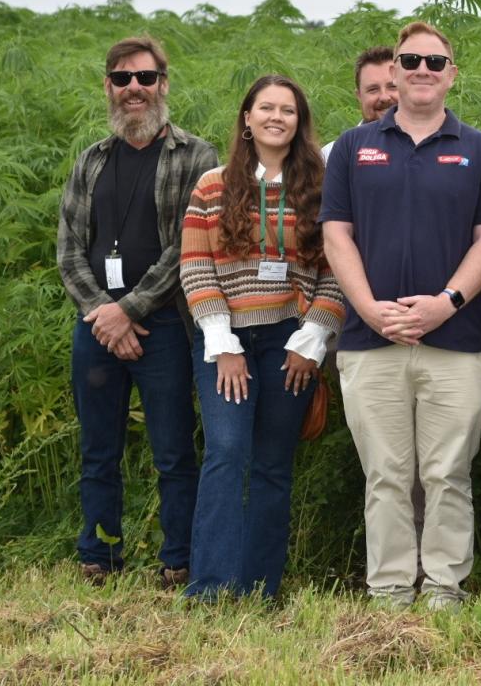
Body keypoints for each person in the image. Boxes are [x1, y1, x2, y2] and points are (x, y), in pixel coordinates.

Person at [321, 21, 481, 610]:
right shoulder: (352, 149)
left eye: (435, 61)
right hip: (370, 341)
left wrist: (445, 304)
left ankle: (445, 591)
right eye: (410, 61)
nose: (422, 70)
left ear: (452, 74)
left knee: (448, 473)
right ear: (394, 72)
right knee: (386, 476)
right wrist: (371, 311)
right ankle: (390, 592)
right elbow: (336, 236)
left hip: (455, 341)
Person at [56, 36, 217, 587]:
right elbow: (69, 249)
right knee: (98, 450)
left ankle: (179, 559)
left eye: (145, 79)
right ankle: (98, 555)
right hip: (95, 328)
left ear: (163, 85)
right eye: (123, 79)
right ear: (109, 86)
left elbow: (187, 248)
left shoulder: (197, 156)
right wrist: (104, 314)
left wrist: (129, 309)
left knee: (174, 451)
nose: (134, 90)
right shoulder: (92, 160)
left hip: (166, 324)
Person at [179, 74, 344, 600]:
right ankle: (211, 585)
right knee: (226, 452)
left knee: (274, 462)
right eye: (265, 108)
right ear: (246, 119)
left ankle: (260, 588)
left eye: (288, 110)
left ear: (300, 122)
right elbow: (195, 267)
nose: (277, 117)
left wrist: (312, 340)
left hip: (289, 342)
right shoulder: (212, 185)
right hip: (225, 341)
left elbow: (336, 271)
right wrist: (223, 344)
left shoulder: (321, 185)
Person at [321, 46, 398, 160]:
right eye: (373, 89)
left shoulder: (430, 151)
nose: (384, 97)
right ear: (359, 96)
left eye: (392, 87)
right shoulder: (331, 154)